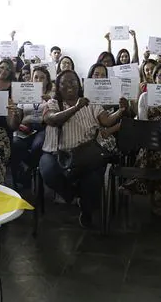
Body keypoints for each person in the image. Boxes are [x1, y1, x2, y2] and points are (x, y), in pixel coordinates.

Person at [40, 70, 124, 228]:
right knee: (48, 172)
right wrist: (76, 108)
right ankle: (73, 196)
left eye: (73, 81)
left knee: (92, 180)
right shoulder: (53, 103)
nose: (69, 85)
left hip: (86, 152)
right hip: (56, 153)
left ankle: (86, 210)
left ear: (79, 84)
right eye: (63, 83)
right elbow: (52, 120)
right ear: (58, 87)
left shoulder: (91, 102)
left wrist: (120, 110)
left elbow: (106, 121)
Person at [118, 63, 161, 215]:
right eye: (160, 76)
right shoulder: (145, 96)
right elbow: (143, 123)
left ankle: (148, 189)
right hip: (151, 135)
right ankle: (159, 196)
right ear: (154, 78)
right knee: (156, 148)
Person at [9, 66, 52, 188]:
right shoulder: (24, 95)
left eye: (42, 78)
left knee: (38, 145)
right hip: (25, 128)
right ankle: (21, 175)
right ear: (31, 79)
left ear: (47, 81)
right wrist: (18, 115)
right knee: (16, 144)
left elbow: (54, 116)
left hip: (43, 128)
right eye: (36, 77)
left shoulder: (52, 96)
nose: (39, 80)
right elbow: (18, 118)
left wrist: (51, 102)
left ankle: (29, 169)